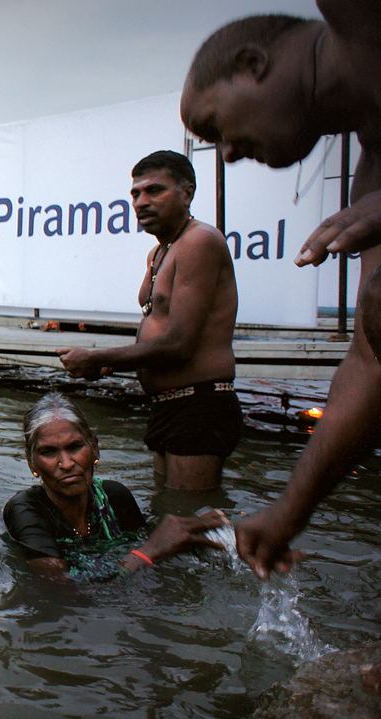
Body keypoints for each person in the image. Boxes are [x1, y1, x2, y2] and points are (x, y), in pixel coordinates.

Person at [178, 5, 381, 578]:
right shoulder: (371, 176)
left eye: (216, 127)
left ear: (251, 63)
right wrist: (290, 509)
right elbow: (370, 358)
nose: (228, 153)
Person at [57, 151, 240, 492]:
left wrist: (98, 357)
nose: (141, 202)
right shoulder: (158, 252)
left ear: (187, 193)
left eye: (154, 190)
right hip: (168, 404)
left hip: (199, 405)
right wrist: (110, 368)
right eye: (135, 194)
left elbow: (180, 344)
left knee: (189, 518)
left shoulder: (199, 241)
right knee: (167, 511)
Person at [3, 393, 230, 582]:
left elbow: (142, 553)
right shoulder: (25, 510)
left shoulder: (114, 497)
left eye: (75, 447)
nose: (67, 463)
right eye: (48, 452)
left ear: (95, 448)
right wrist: (153, 548)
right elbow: (61, 586)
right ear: (31, 461)